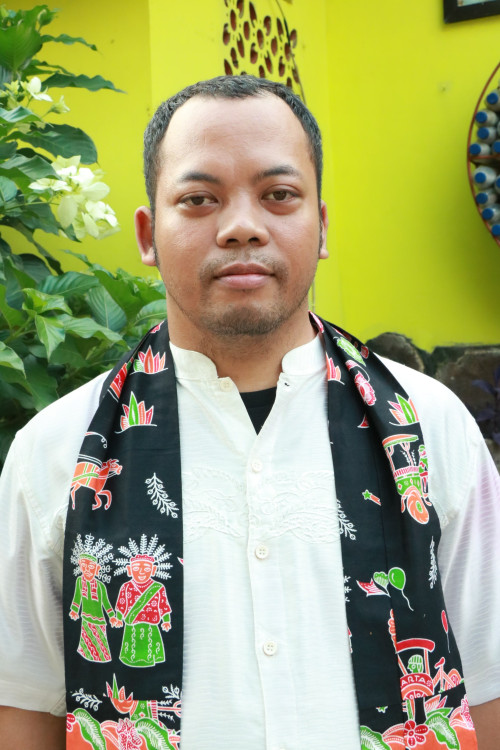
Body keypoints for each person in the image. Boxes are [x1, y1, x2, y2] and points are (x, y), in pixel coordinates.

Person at [0, 74, 499, 750]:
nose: (241, 227)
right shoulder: (55, 452)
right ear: (148, 234)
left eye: (279, 195)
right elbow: (23, 708)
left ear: (321, 226)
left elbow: (488, 685)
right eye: (199, 199)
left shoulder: (431, 430)